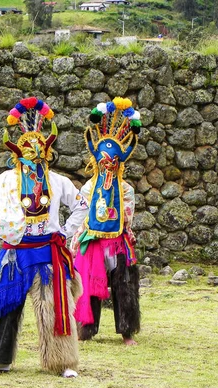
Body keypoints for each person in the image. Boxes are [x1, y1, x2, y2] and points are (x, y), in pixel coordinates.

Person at [0, 97, 89, 378]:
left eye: (39, 150)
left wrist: (64, 231)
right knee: (5, 304)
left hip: (47, 251)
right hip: (15, 251)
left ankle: (62, 362)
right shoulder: (6, 180)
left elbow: (81, 206)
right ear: (17, 152)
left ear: (47, 151)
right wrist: (4, 228)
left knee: (52, 305)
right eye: (29, 149)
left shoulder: (59, 181)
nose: (35, 154)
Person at [71, 97, 142, 346]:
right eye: (103, 161)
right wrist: (79, 235)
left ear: (119, 162)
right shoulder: (90, 187)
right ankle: (86, 329)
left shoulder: (126, 190)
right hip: (94, 240)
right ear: (97, 161)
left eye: (112, 161)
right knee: (89, 284)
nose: (108, 165)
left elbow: (128, 217)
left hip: (117, 241)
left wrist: (125, 230)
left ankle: (126, 331)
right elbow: (83, 214)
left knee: (123, 285)